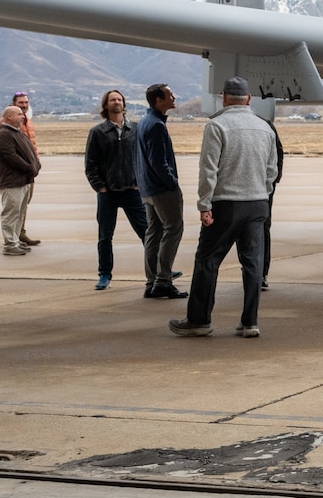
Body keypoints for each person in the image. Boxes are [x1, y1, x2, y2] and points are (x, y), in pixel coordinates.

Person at [171, 77, 278, 338]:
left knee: (208, 260)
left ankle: (199, 320)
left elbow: (209, 170)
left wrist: (204, 204)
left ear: (224, 98)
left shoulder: (217, 126)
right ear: (249, 99)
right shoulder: (265, 128)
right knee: (252, 264)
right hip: (257, 204)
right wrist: (261, 193)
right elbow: (271, 170)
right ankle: (250, 322)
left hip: (226, 204)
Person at [84, 89, 148, 291]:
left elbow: (143, 159)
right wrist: (100, 187)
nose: (117, 102)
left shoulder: (136, 129)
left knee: (148, 233)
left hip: (132, 191)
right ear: (106, 105)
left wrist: (139, 182)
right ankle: (104, 275)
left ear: (124, 104)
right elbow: (90, 164)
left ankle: (160, 270)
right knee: (105, 237)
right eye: (112, 100)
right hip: (108, 193)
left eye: (119, 99)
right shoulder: (98, 132)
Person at [136, 82, 187, 300]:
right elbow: (158, 161)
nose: (174, 97)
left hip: (147, 188)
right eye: (170, 95)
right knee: (173, 229)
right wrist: (172, 182)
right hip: (161, 189)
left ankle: (152, 282)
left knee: (153, 233)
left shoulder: (144, 122)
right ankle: (163, 280)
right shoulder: (156, 125)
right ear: (159, 100)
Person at [0, 105, 42, 255]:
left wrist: (36, 165)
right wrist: (29, 167)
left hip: (24, 180)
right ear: (9, 117)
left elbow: (31, 152)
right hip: (12, 182)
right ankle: (9, 244)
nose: (23, 116)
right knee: (11, 213)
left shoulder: (18, 133)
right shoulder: (3, 134)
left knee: (20, 213)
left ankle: (15, 240)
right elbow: (11, 156)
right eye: (19, 114)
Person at [10, 91, 41, 246]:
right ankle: (13, 238)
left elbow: (31, 146)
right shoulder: (10, 122)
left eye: (26, 103)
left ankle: (20, 233)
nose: (24, 105)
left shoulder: (27, 121)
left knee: (24, 204)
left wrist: (36, 163)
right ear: (14, 104)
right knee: (15, 206)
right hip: (19, 172)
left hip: (30, 170)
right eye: (21, 103)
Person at [260, 109, 285, 291]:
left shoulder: (265, 125)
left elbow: (277, 154)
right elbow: (279, 155)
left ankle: (258, 273)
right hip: (263, 190)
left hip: (260, 189)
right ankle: (259, 274)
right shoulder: (265, 124)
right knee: (261, 229)